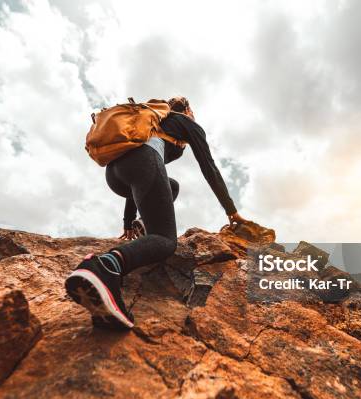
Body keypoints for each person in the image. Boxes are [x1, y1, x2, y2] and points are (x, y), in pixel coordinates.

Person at [65, 97, 247, 329]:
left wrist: (128, 221)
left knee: (172, 186)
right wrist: (231, 210)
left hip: (115, 174)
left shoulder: (155, 121)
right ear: (188, 110)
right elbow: (208, 166)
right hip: (143, 163)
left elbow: (137, 173)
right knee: (164, 240)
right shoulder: (186, 122)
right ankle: (104, 267)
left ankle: (142, 225)